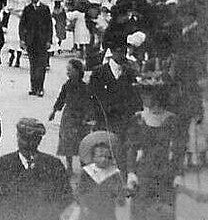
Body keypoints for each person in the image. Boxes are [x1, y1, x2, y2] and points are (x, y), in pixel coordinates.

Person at [0, 118, 71, 220]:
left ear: (39, 140)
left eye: (33, 139)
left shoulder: (54, 165)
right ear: (17, 137)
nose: (27, 143)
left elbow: (66, 199)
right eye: (24, 138)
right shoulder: (1, 165)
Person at [123, 76, 184, 220]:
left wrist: (178, 173)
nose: (143, 97)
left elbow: (178, 149)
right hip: (144, 171)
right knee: (140, 210)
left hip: (165, 172)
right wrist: (131, 172)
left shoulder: (172, 120)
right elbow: (131, 148)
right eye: (143, 93)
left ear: (158, 96)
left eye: (147, 93)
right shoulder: (138, 119)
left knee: (164, 211)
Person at [48, 59, 92, 172]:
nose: (67, 73)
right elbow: (61, 99)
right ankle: (69, 165)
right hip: (68, 116)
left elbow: (88, 103)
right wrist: (54, 111)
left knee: (82, 141)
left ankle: (84, 165)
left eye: (70, 70)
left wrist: (87, 117)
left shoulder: (85, 87)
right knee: (67, 140)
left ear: (78, 71)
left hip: (80, 116)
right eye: (67, 70)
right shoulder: (67, 85)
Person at [74, 135, 126, 220]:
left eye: (108, 157)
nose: (104, 159)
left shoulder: (114, 173)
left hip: (107, 210)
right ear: (93, 157)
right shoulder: (87, 172)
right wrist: (83, 204)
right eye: (100, 156)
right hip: (88, 208)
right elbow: (80, 191)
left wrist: (120, 197)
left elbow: (120, 190)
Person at [20, 0, 53, 97]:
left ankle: (40, 87)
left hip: (42, 41)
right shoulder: (27, 9)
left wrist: (49, 40)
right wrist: (22, 40)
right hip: (31, 41)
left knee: (42, 65)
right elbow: (22, 25)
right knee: (33, 65)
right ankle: (33, 87)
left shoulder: (45, 8)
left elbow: (49, 25)